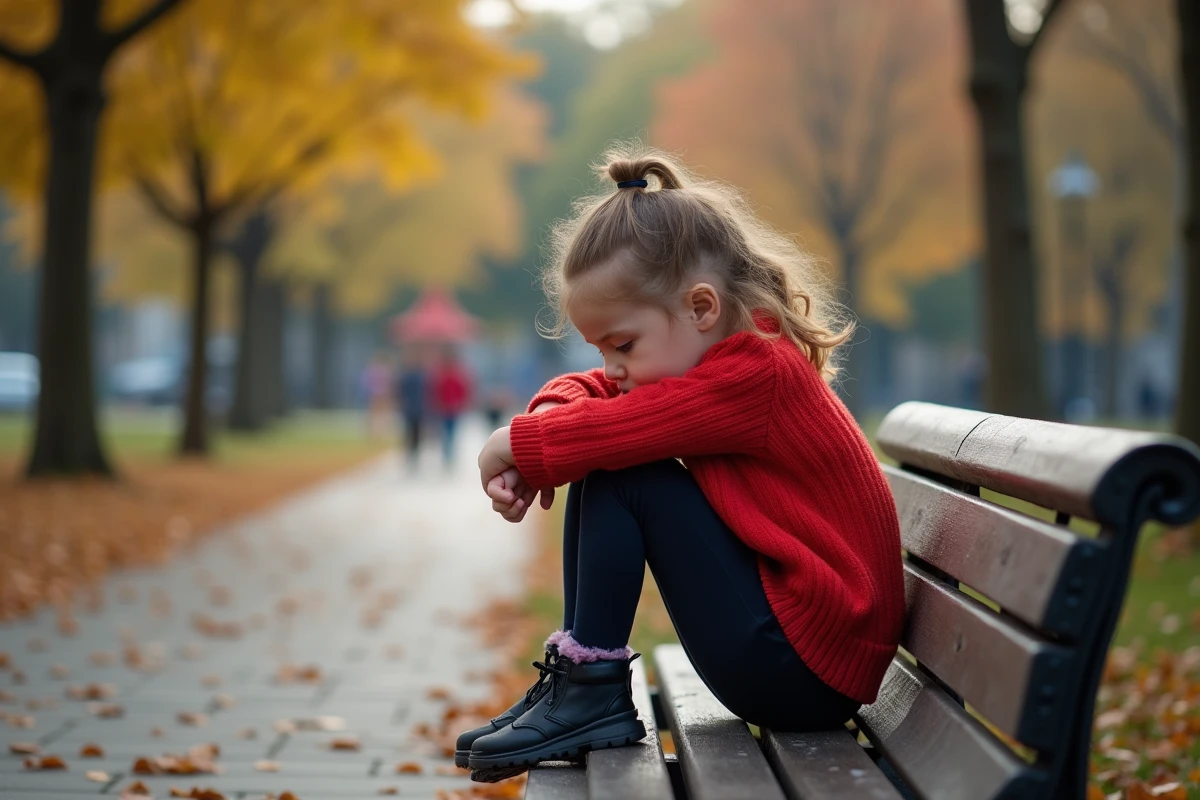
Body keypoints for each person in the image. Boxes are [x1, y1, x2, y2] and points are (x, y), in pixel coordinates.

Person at [458, 145, 905, 780]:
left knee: (624, 470)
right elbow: (598, 396)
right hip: (797, 656)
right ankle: (580, 686)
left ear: (700, 308)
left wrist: (514, 444)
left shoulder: (755, 374)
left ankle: (589, 690)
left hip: (803, 667)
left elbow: (612, 428)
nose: (613, 367)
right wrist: (549, 419)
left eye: (623, 344)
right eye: (602, 349)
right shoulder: (715, 359)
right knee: (611, 456)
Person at [430, 350, 472, 468]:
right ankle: (448, 454)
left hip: (450, 408)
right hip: (448, 408)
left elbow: (462, 391)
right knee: (448, 432)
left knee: (448, 432)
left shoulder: (446, 375)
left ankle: (448, 454)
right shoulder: (451, 375)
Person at [394, 349, 428, 470]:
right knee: (415, 432)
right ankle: (414, 453)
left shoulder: (406, 376)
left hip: (410, 408)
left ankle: (411, 453)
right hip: (417, 408)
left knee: (410, 432)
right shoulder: (421, 377)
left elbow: (400, 392)